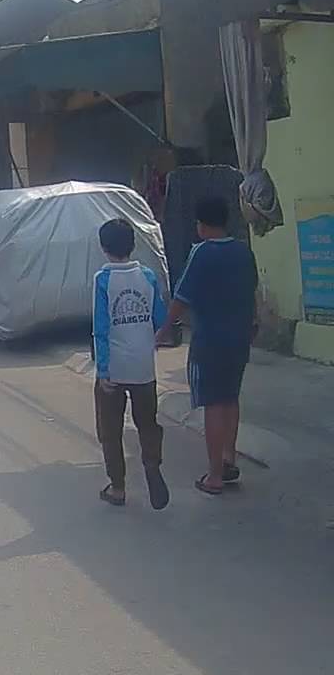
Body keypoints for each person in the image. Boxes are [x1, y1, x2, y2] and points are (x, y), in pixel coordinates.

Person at [156, 197, 259, 495]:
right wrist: (253, 323)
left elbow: (181, 298)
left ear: (201, 225)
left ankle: (214, 476)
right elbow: (252, 291)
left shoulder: (202, 253)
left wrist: (164, 330)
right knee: (230, 398)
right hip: (239, 337)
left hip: (210, 341)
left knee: (213, 403)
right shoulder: (243, 251)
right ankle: (228, 458)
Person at [93, 218, 169, 509]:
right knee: (147, 423)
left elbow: (101, 329)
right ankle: (151, 463)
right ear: (133, 245)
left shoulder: (103, 279)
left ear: (104, 247)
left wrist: (103, 370)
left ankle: (118, 487)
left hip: (115, 366)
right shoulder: (148, 276)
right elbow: (160, 319)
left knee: (110, 429)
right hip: (143, 366)